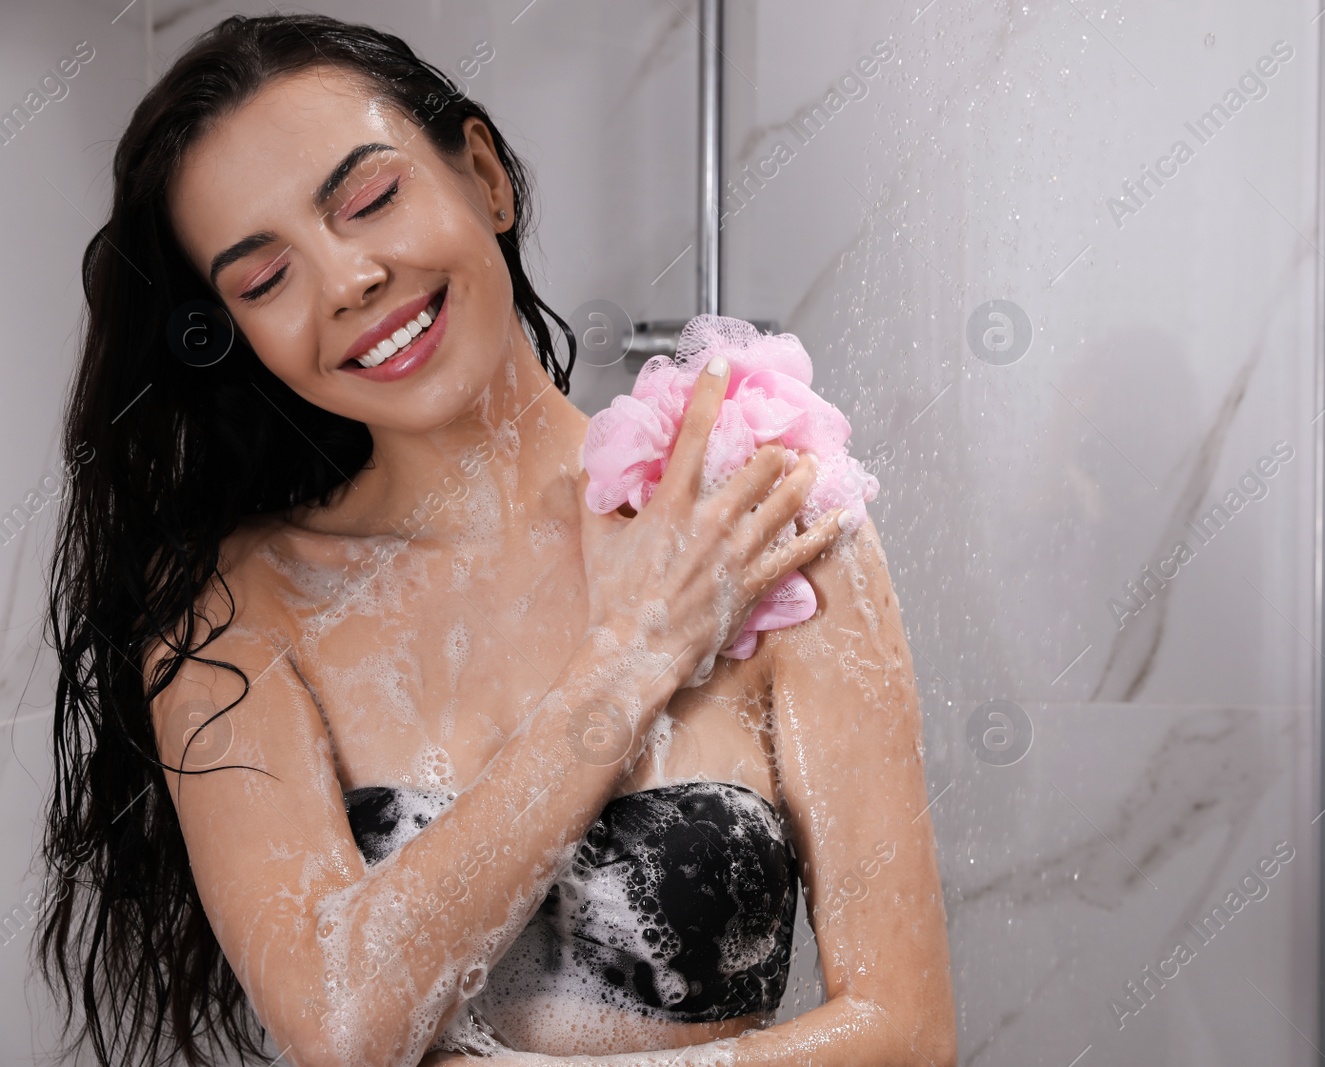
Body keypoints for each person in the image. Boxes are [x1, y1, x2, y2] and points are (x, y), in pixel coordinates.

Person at [36, 14, 955, 1067]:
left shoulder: (754, 516)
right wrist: (637, 656)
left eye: (371, 200)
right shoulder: (235, 617)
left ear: (483, 176)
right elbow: (344, 1027)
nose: (345, 280)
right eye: (263, 280)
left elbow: (908, 1031)